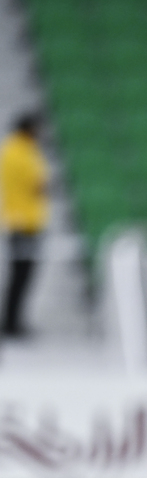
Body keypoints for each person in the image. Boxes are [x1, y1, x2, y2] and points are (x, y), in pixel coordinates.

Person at [0, 113, 49, 337]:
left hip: (17, 220)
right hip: (25, 222)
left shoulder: (10, 150)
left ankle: (12, 322)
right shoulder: (23, 152)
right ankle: (12, 324)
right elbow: (38, 184)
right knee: (21, 277)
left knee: (19, 277)